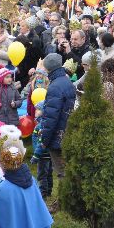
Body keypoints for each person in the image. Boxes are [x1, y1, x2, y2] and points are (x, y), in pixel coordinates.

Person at [40, 53, 76, 182]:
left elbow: (51, 118)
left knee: (62, 173)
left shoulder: (55, 87)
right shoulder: (66, 81)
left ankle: (66, 200)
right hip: (67, 133)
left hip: (58, 137)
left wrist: (44, 140)